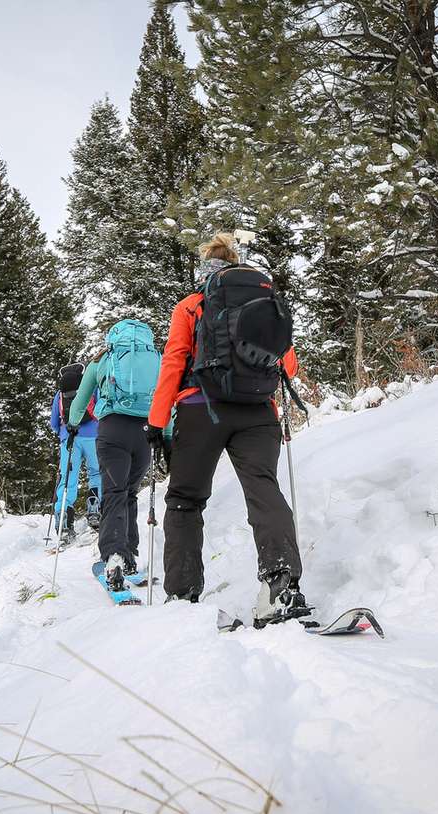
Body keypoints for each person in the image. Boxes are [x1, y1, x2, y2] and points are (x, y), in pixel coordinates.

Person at [145, 232, 304, 626]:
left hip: (202, 409)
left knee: (185, 499)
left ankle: (182, 599)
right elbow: (289, 365)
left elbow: (173, 361)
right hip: (258, 411)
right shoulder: (263, 305)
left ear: (206, 271)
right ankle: (281, 588)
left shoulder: (191, 306)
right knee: (264, 490)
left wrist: (157, 420)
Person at [65, 319, 160, 591]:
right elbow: (167, 399)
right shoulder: (156, 358)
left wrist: (72, 425)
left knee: (114, 493)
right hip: (144, 432)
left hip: (112, 431)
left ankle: (114, 557)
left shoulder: (102, 360)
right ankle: (130, 554)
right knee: (129, 493)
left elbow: (81, 401)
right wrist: (165, 436)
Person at [50, 363, 101, 540]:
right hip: (93, 436)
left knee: (67, 479)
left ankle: (63, 519)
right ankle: (95, 509)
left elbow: (54, 422)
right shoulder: (91, 386)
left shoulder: (60, 394)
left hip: (69, 439)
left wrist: (63, 434)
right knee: (96, 473)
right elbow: (100, 409)